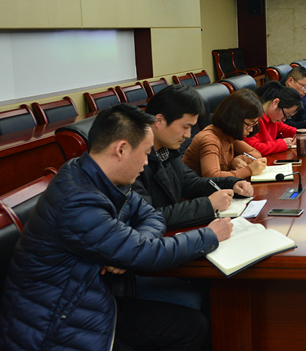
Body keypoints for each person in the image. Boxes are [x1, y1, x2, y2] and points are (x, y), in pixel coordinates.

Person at [0, 104, 232, 351]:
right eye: (145, 153)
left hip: (88, 300)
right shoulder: (76, 199)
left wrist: (131, 246)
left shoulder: (96, 175)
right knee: (190, 326)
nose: (146, 162)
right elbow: (148, 253)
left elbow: (152, 216)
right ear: (121, 149)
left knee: (192, 326)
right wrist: (209, 235)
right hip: (56, 326)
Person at [133, 84, 254, 230]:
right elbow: (148, 216)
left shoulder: (168, 150)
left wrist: (232, 184)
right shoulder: (133, 160)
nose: (188, 135)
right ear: (159, 121)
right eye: (185, 127)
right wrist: (208, 205)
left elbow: (191, 183)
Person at [183, 89, 267, 178]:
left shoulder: (229, 134)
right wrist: (249, 170)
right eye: (249, 124)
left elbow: (255, 153)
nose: (251, 130)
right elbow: (212, 176)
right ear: (235, 119)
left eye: (254, 124)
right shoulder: (210, 140)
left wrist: (238, 159)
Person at [245, 81, 302, 156]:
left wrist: (296, 133)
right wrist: (281, 144)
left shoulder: (272, 117)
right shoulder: (253, 117)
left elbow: (282, 128)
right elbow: (253, 148)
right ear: (275, 102)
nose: (284, 119)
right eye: (286, 115)